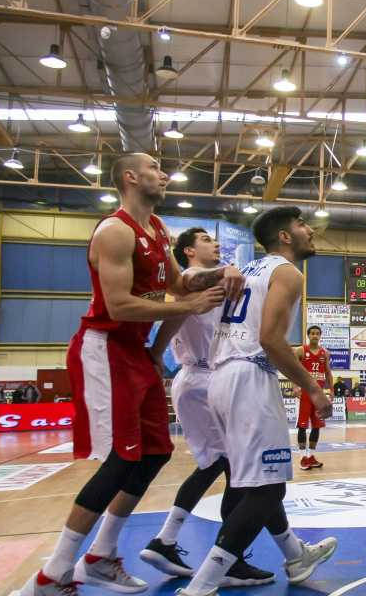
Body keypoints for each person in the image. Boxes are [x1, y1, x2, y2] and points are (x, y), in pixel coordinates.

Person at [20, 153, 237, 596]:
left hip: (136, 352)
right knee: (122, 458)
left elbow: (179, 285)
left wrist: (221, 273)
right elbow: (118, 305)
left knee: (155, 453)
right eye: (157, 167)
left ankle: (100, 556)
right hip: (104, 348)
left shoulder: (157, 230)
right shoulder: (115, 231)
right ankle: (51, 575)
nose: (165, 174)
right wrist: (189, 307)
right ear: (131, 177)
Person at [177, 207, 338, 596]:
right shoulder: (287, 272)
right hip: (249, 375)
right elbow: (270, 340)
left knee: (252, 483)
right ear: (284, 236)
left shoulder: (249, 270)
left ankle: (295, 555)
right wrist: (313, 388)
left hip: (221, 377)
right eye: (302, 225)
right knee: (268, 489)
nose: (310, 231)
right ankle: (203, 584)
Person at [140, 227, 273, 586]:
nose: (215, 244)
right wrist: (228, 270)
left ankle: (166, 539)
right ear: (188, 251)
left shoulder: (190, 284)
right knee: (244, 471)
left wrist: (156, 352)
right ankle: (228, 561)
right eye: (206, 240)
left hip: (193, 380)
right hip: (204, 378)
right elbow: (187, 295)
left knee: (217, 464)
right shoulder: (192, 278)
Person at [296, 326, 332, 470]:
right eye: (312, 334)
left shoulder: (325, 353)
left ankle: (311, 456)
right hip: (305, 393)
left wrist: (332, 390)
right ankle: (302, 458)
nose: (315, 336)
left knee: (317, 425)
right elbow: (293, 369)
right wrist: (294, 387)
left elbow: (328, 372)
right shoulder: (300, 350)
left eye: (317, 334)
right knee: (302, 426)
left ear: (320, 336)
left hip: (319, 395)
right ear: (308, 335)